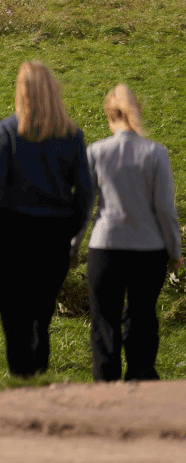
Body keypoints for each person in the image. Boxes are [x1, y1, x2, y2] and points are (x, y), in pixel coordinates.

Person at [0, 61, 93, 377]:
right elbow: (85, 192)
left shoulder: (6, 133)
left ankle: (21, 384)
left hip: (12, 237)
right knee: (41, 317)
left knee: (14, 319)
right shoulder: (72, 136)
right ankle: (39, 376)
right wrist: (72, 229)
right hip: (54, 236)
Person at [74, 84, 182, 381]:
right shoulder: (155, 153)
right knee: (142, 320)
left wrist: (72, 248)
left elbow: (82, 208)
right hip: (148, 252)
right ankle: (141, 383)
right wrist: (175, 251)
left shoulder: (95, 152)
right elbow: (165, 208)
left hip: (105, 248)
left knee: (103, 325)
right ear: (138, 112)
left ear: (110, 115)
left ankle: (107, 394)